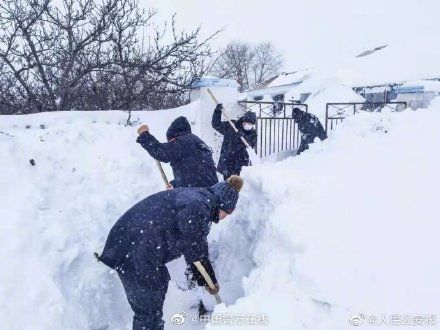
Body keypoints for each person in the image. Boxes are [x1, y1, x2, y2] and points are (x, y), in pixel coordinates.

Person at [96, 176, 244, 330]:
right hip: (134, 250)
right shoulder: (199, 205)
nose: (226, 217)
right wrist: (208, 280)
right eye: (228, 212)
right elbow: (194, 248)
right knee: (148, 309)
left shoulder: (200, 199)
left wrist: (206, 278)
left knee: (159, 283)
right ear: (223, 206)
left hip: (137, 246)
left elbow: (196, 240)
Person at [136, 116, 218, 188]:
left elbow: (161, 153)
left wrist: (144, 135)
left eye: (170, 141)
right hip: (210, 191)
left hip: (195, 195)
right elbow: (196, 172)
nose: (171, 143)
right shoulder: (196, 142)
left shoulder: (182, 142)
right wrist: (175, 184)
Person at [211, 104, 257, 180]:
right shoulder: (231, 126)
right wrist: (217, 112)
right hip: (227, 162)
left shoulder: (253, 133)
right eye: (246, 123)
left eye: (250, 124)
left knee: (238, 186)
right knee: (227, 184)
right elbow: (216, 125)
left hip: (241, 164)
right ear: (243, 121)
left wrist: (243, 136)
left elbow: (251, 145)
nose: (248, 125)